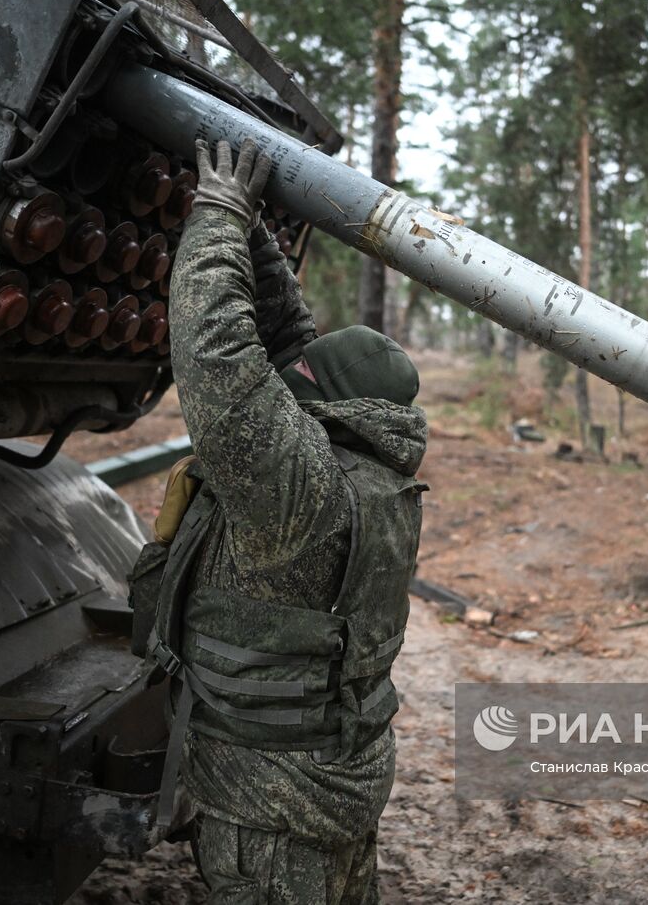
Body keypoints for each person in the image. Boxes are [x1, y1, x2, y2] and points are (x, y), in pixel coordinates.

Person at [144, 137, 427, 904]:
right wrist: (258, 237)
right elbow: (292, 346)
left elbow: (219, 353)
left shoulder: (299, 488)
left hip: (272, 810)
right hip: (330, 781)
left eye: (299, 379)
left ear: (326, 403)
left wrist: (218, 214)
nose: (289, 375)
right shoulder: (372, 470)